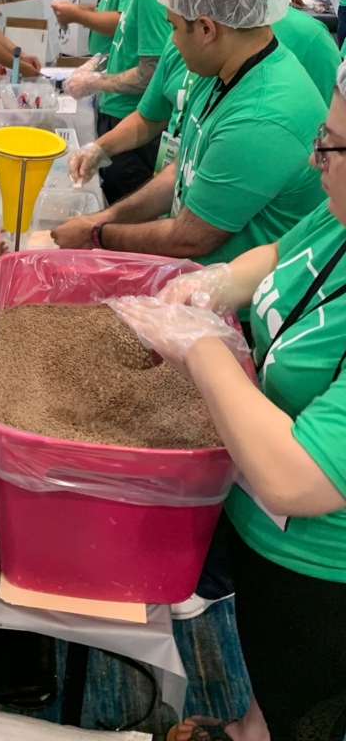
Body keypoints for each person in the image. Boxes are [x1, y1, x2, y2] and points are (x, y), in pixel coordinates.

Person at [116, 63, 346, 741]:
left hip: (322, 567)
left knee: (304, 701)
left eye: (330, 146)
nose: (313, 159)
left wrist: (201, 348)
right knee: (268, 683)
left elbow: (300, 479)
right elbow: (284, 251)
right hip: (263, 530)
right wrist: (216, 286)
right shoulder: (339, 212)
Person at [52, 0, 326, 279]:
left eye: (174, 28)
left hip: (235, 313)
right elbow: (181, 172)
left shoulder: (261, 117)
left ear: (207, 30)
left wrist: (95, 235)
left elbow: (189, 239)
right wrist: (105, 219)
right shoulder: (222, 72)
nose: (172, 42)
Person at [69, 0, 340, 186]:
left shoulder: (307, 40)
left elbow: (328, 143)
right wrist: (100, 148)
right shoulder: (184, 31)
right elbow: (151, 115)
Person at [55, 0, 174, 204]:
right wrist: (98, 63)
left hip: (136, 127)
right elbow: (130, 40)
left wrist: (96, 82)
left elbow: (152, 75)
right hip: (121, 117)